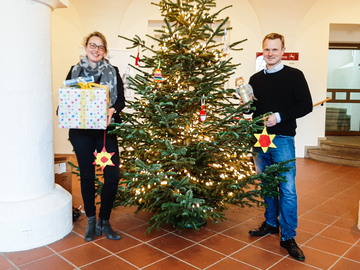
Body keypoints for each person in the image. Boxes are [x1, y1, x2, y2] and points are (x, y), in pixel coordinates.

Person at [247, 33, 313, 261]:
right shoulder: (255, 79)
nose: (271, 54)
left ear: (283, 51)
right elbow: (252, 111)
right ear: (262, 51)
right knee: (266, 184)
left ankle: (288, 236)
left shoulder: (295, 76)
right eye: (267, 50)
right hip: (259, 139)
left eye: (275, 50)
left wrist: (280, 116)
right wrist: (245, 107)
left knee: (287, 189)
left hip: (282, 138)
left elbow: (306, 105)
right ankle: (270, 223)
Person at [66, 31, 125, 241]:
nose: (96, 50)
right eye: (93, 45)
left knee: (112, 176)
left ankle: (104, 220)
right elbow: (67, 97)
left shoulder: (113, 71)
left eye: (100, 47)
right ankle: (91, 221)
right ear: (86, 47)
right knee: (88, 176)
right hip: (81, 133)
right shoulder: (74, 71)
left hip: (105, 131)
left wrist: (113, 110)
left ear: (105, 51)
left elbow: (121, 101)